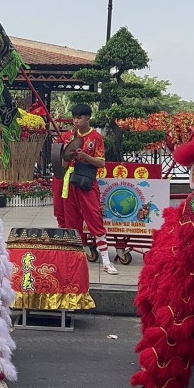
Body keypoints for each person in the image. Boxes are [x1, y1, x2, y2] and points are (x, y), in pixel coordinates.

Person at [59, 103, 117, 275]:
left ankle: (106, 261)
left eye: (79, 117)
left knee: (94, 218)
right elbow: (62, 163)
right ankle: (72, 261)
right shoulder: (68, 136)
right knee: (71, 221)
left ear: (87, 118)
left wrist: (85, 157)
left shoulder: (96, 137)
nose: (75, 121)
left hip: (87, 182)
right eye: (74, 117)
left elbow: (101, 163)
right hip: (70, 181)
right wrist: (67, 156)